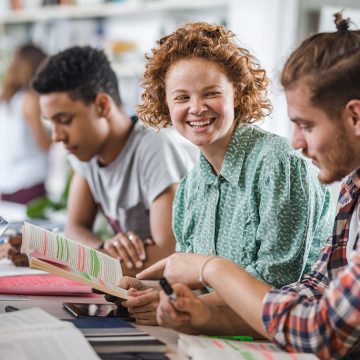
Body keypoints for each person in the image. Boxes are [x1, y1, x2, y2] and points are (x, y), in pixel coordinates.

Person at [142, 13, 360, 360]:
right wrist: (177, 301)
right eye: (181, 97)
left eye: (306, 124)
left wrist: (208, 269)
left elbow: (291, 299)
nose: (297, 142)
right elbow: (313, 290)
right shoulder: (352, 189)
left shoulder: (277, 162)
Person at [113, 21, 334, 324]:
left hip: (286, 341)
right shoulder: (190, 188)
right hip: (215, 338)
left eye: (211, 93)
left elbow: (276, 283)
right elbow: (194, 284)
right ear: (165, 104)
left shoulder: (278, 162)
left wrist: (180, 306)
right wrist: (150, 291)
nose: (197, 108)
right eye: (181, 97)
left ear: (238, 94)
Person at [32, 46, 193, 276]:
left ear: (102, 106)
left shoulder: (155, 148)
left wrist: (74, 259)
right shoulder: (86, 152)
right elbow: (75, 228)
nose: (57, 136)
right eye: (51, 123)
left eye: (65, 120)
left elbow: (168, 254)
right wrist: (103, 247)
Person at [0, 44, 51, 204]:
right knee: (33, 230)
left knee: (9, 228)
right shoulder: (30, 99)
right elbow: (43, 143)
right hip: (29, 184)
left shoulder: (5, 98)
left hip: (6, 183)